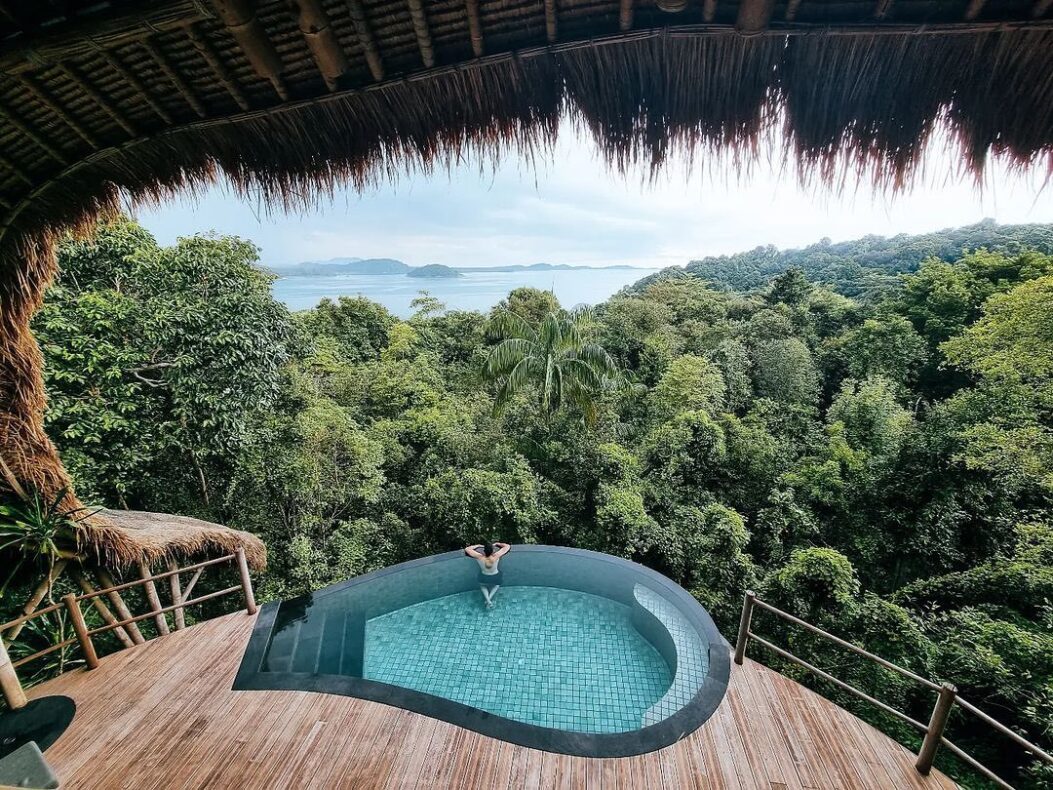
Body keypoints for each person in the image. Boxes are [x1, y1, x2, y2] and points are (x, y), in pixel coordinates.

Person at [464, 541, 510, 608]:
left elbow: (467, 549)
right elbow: (507, 546)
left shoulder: (479, 557)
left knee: (482, 586)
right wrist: (497, 544)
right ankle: (489, 599)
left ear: (484, 550)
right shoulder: (496, 555)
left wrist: (478, 545)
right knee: (497, 585)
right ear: (493, 550)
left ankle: (488, 600)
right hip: (495, 576)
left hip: (484, 577)